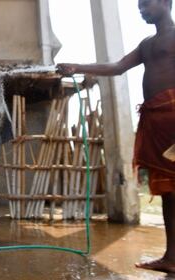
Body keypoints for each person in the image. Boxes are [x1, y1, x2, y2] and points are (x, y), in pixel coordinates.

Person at [57, 0, 175, 274]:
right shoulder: (147, 44)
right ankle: (172, 256)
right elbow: (118, 66)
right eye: (139, 6)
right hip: (156, 122)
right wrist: (77, 66)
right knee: (169, 191)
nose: (142, 9)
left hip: (173, 119)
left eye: (147, 4)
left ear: (167, 3)